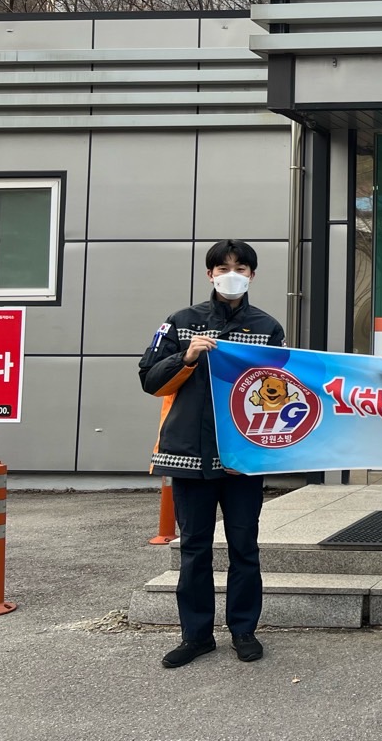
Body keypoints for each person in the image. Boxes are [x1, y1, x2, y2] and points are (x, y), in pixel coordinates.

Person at [139, 239, 285, 669]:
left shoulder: (267, 327)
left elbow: (278, 389)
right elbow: (149, 379)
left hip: (242, 459)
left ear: (253, 275)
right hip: (189, 456)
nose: (232, 275)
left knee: (244, 548)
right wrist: (186, 357)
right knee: (195, 550)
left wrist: (261, 449)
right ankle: (196, 636)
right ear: (210, 274)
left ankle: (244, 631)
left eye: (241, 268)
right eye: (223, 268)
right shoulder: (180, 322)